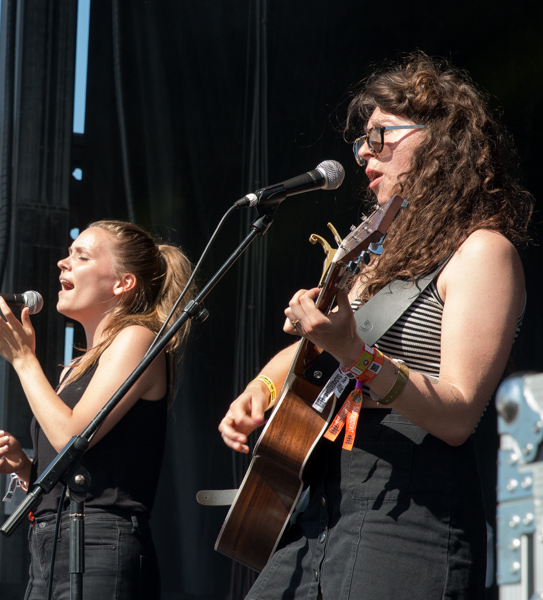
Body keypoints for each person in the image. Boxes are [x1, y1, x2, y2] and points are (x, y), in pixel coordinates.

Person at [218, 52, 533, 598]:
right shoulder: (376, 258)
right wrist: (260, 389)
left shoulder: (483, 252)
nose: (365, 151)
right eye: (363, 140)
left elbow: (457, 414)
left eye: (382, 135)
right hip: (321, 508)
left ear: (438, 140)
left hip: (409, 517)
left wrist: (354, 352)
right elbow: (307, 355)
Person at [0, 219, 194, 600]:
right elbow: (80, 464)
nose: (63, 262)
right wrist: (26, 467)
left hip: (100, 546)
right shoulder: (76, 366)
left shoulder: (138, 338)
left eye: (81, 255)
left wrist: (25, 360)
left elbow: (71, 436)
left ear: (122, 283)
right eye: (67, 254)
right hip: (50, 542)